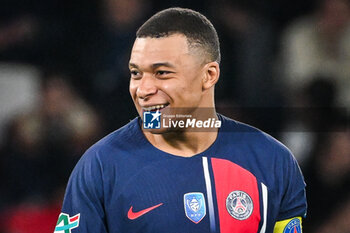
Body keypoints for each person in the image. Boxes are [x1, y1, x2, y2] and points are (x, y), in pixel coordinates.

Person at [55, 8, 307, 233]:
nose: (143, 89)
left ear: (208, 76)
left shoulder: (273, 161)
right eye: (136, 73)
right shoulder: (100, 166)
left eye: (162, 73)